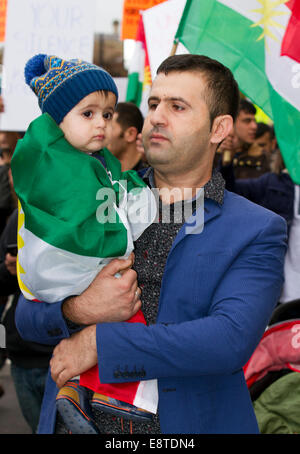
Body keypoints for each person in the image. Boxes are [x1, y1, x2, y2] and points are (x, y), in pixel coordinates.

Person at [15, 54, 287, 434]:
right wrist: (78, 309)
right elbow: (26, 317)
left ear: (219, 129)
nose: (157, 117)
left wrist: (100, 342)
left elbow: (227, 339)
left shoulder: (257, 229)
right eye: (154, 104)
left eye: (177, 107)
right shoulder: (92, 197)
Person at [11, 54, 158, 434]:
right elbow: (82, 221)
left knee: (119, 315)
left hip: (82, 287)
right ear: (58, 120)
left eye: (107, 115)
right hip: (64, 274)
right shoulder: (55, 165)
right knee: (120, 311)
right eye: (87, 113)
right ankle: (91, 393)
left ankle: (88, 392)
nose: (101, 124)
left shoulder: (99, 163)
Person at [0, 208, 53, 433]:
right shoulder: (18, 216)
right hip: (22, 357)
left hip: (64, 356)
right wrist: (11, 270)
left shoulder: (80, 210)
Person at [105, 102, 148, 172]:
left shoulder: (151, 176)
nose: (102, 134)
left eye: (110, 128)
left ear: (131, 134)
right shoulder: (101, 168)